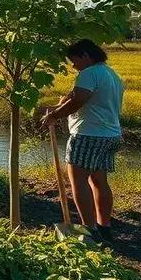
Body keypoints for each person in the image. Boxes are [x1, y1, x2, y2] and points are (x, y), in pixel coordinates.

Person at [42, 39, 123, 242]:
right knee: (99, 181)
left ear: (86, 55)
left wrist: (55, 116)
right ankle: (104, 227)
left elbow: (78, 101)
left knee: (78, 181)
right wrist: (57, 107)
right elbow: (74, 96)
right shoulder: (111, 74)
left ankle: (89, 230)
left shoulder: (89, 73)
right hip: (110, 135)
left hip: (88, 135)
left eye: (74, 60)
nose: (73, 65)